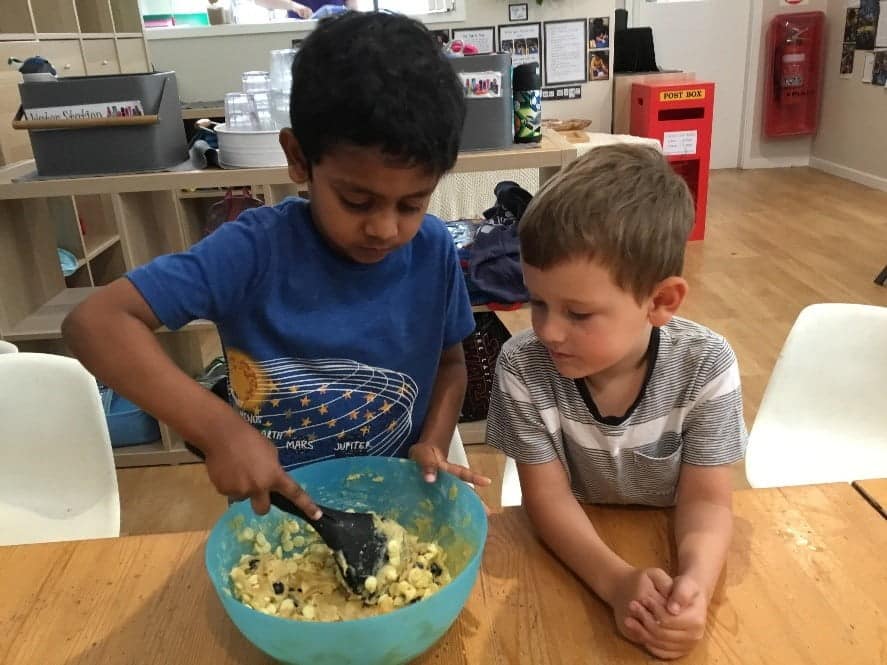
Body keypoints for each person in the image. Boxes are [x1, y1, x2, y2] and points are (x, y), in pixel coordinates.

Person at [62, 11, 490, 520]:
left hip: (396, 508)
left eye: (411, 204)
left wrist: (434, 445)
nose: (385, 229)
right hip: (278, 516)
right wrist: (219, 430)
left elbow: (450, 366)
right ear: (298, 159)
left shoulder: (434, 249)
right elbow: (94, 323)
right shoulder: (253, 251)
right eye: (356, 201)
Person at [486, 145, 746, 660]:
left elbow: (708, 501)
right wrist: (614, 581)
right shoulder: (522, 366)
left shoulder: (706, 366)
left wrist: (694, 584)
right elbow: (549, 499)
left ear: (661, 301)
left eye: (578, 313)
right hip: (576, 545)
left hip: (666, 533)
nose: (548, 331)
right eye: (538, 302)